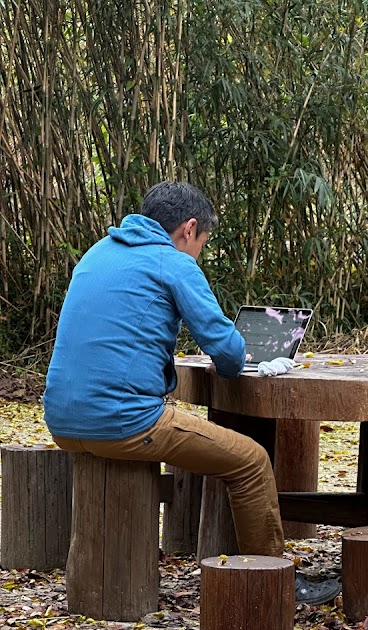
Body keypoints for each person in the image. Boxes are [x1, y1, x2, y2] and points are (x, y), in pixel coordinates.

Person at [43, 180, 339, 605]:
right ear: (189, 228)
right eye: (203, 241)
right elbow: (230, 352)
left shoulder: (97, 252)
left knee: (212, 443)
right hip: (125, 424)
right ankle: (276, 585)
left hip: (61, 422)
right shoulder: (173, 263)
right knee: (252, 462)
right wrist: (230, 358)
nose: (199, 250)